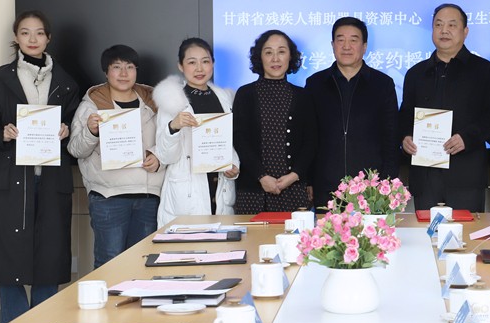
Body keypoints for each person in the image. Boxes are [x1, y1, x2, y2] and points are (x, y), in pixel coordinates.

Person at [0, 10, 79, 323]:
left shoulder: (65, 82)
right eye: (25, 32)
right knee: (7, 259)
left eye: (39, 33)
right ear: (16, 38)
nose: (32, 39)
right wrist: (3, 133)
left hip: (50, 179)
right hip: (10, 179)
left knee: (49, 259)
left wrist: (66, 130)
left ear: (48, 38)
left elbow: (77, 135)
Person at [68, 45, 164, 269]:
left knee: (143, 264)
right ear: (106, 72)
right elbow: (76, 150)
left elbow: (170, 143)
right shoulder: (91, 106)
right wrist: (91, 131)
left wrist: (158, 158)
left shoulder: (155, 104)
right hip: (108, 196)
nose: (123, 73)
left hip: (148, 196)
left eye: (130, 67)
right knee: (109, 264)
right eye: (117, 67)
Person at [399, 4, 490, 211]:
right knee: (426, 231)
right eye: (438, 25)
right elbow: (405, 114)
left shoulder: (485, 71)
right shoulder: (416, 73)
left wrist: (467, 138)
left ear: (465, 31)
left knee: (467, 230)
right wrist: (405, 137)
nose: (444, 30)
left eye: (452, 25)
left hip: (466, 176)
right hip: (425, 176)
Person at [305, 17, 398, 208]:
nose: (346, 46)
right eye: (340, 40)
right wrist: (309, 181)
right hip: (327, 186)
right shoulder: (315, 84)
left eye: (353, 40)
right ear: (332, 45)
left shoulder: (382, 84)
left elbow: (391, 137)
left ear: (364, 46)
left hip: (371, 188)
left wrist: (387, 181)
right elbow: (308, 137)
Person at [153, 38, 239, 227]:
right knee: (190, 244)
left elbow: (230, 143)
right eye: (192, 62)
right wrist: (173, 127)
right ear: (181, 66)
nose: (199, 68)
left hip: (219, 190)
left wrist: (234, 167)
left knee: (222, 242)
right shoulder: (171, 101)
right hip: (187, 194)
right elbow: (165, 156)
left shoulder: (225, 99)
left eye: (205, 61)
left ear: (213, 64)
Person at [233, 30, 317, 213]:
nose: (275, 59)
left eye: (281, 52)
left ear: (290, 56)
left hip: (294, 189)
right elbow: (240, 139)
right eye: (268, 52)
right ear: (260, 57)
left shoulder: (303, 96)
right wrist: (262, 176)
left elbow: (310, 142)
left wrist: (293, 176)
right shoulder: (245, 94)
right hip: (253, 191)